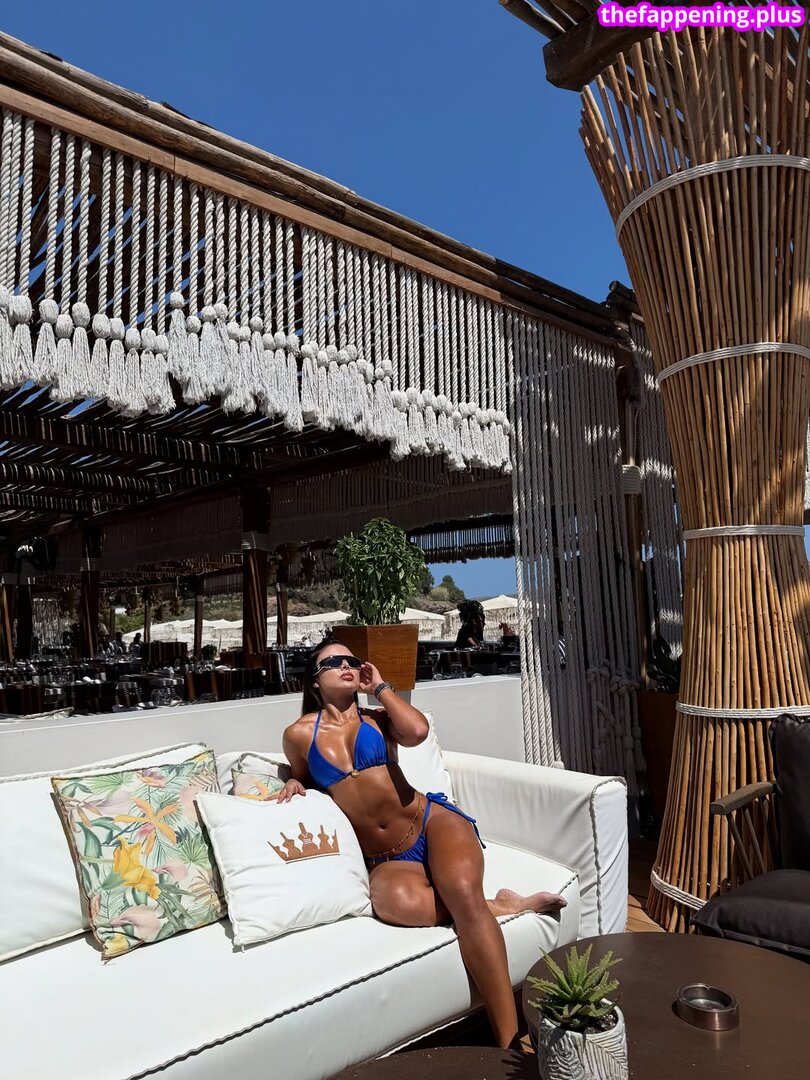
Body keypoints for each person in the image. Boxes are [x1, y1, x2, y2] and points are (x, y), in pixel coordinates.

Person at [280, 640, 566, 1050]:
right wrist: (293, 780)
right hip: (386, 855)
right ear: (314, 680)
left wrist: (380, 687)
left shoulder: (379, 719)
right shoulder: (298, 734)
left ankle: (512, 1048)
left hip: (429, 821)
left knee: (463, 895)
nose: (346, 665)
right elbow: (304, 774)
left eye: (352, 660)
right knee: (394, 904)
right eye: (334, 662)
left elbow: (417, 732)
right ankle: (505, 905)